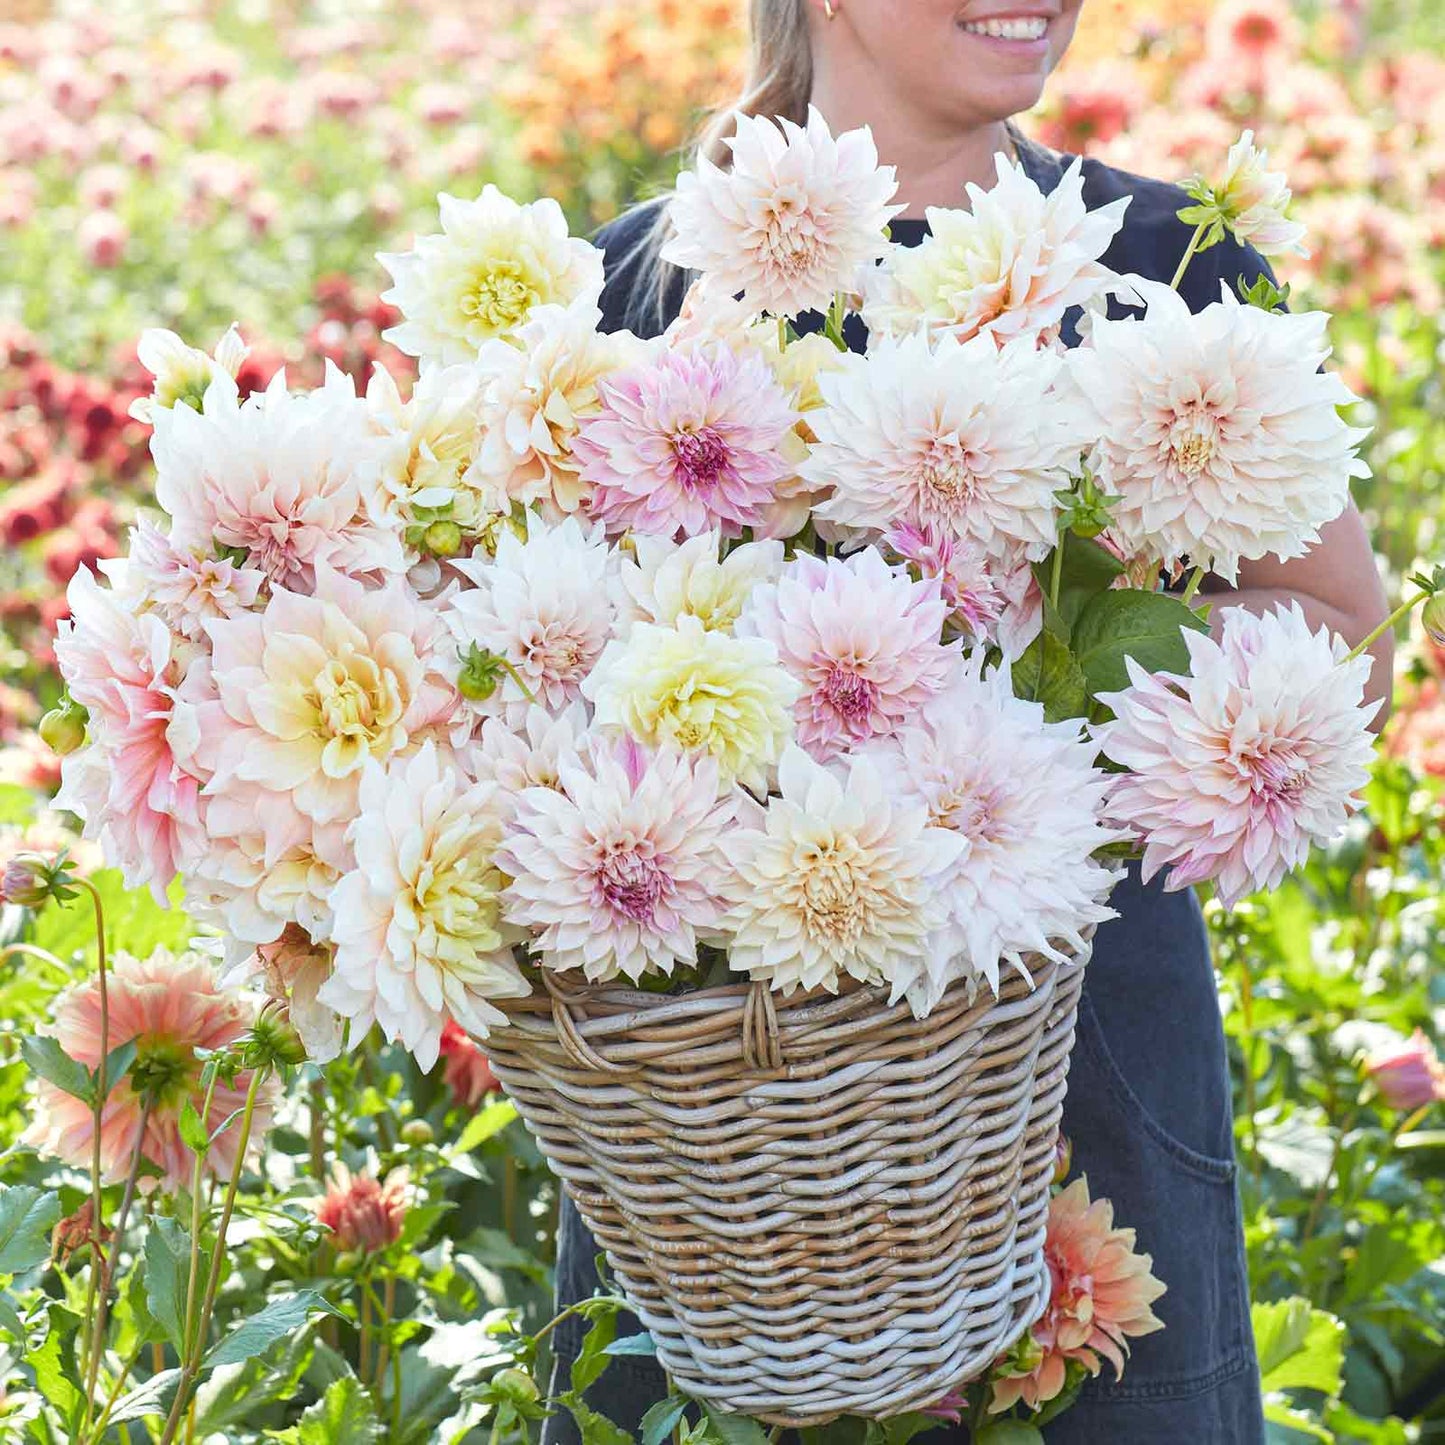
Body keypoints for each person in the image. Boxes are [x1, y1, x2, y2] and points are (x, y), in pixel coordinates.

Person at [541, 2, 1394, 1440]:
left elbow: (1341, 632)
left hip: (1079, 1053)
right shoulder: (641, 277)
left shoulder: (1154, 260)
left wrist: (1045, 656)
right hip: (716, 1147)